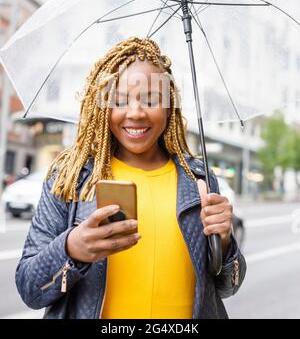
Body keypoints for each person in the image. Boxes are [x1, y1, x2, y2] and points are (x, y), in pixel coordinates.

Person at [16, 37, 246, 319]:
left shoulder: (197, 176)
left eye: (151, 99)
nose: (136, 113)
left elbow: (227, 287)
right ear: (101, 107)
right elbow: (29, 288)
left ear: (169, 105)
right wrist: (71, 249)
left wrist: (223, 241)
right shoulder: (72, 176)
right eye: (120, 100)